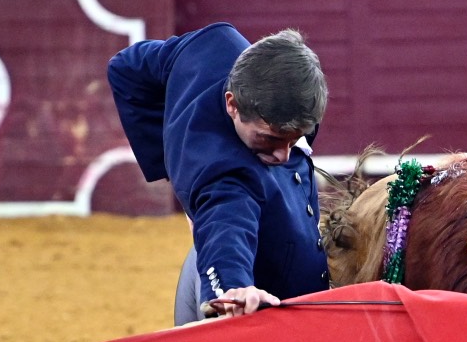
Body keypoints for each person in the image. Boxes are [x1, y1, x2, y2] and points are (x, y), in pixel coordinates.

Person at [108, 23, 330, 323]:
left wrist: (171, 165)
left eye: (296, 138)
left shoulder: (214, 45)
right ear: (232, 105)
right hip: (265, 298)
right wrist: (233, 287)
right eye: (270, 138)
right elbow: (225, 230)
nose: (284, 154)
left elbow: (125, 67)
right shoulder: (223, 172)